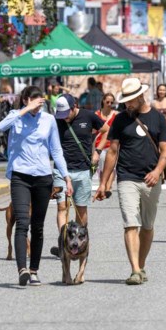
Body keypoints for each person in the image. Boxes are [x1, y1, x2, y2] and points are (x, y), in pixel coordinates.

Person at [95, 78, 166, 285]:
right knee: (131, 224)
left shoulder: (157, 118)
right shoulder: (120, 120)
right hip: (126, 177)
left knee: (147, 226)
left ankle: (141, 263)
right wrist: (104, 182)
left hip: (151, 180)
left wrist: (157, 171)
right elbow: (112, 151)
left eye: (130, 100)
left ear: (140, 96)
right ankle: (135, 270)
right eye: (125, 101)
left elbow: (165, 150)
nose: (127, 105)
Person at [0, 85, 71, 287]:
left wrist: (66, 177)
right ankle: (22, 269)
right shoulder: (16, 116)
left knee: (37, 227)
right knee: (22, 223)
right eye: (34, 101)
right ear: (25, 100)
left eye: (40, 102)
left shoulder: (48, 120)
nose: (38, 106)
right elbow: (0, 127)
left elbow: (56, 150)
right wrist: (24, 109)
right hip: (20, 175)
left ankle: (34, 270)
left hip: (43, 177)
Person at [50, 94, 106, 241]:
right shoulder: (56, 120)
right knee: (62, 207)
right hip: (61, 170)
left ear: (74, 107)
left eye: (66, 114)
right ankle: (64, 241)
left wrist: (98, 151)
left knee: (81, 209)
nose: (64, 118)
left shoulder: (88, 116)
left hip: (83, 170)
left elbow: (106, 130)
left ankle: (79, 241)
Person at [94, 92, 117, 181]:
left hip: (112, 145)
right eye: (107, 102)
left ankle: (107, 188)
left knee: (111, 168)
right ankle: (102, 186)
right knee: (102, 168)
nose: (109, 104)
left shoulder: (116, 114)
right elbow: (93, 130)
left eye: (111, 103)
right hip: (100, 145)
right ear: (103, 101)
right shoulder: (96, 114)